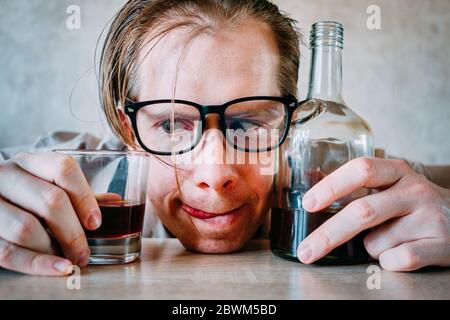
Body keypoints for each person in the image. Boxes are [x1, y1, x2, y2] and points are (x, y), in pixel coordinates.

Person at [0, 0, 449, 276]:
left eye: (249, 124)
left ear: (295, 123)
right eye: (172, 125)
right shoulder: (62, 181)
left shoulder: (352, 184)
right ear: (127, 131)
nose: (215, 175)